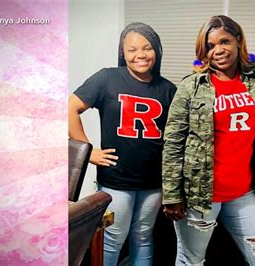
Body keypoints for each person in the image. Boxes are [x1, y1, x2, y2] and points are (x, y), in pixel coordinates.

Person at [161, 15, 255, 265]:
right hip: (199, 196)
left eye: (225, 42)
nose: (218, 51)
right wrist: (171, 195)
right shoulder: (192, 86)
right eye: (210, 46)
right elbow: (173, 143)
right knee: (191, 259)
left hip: (245, 192)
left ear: (238, 41)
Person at [69, 22, 177, 266]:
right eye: (132, 50)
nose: (140, 55)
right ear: (123, 53)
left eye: (147, 48)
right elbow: (70, 108)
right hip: (116, 180)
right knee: (113, 238)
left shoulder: (169, 89)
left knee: (143, 237)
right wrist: (87, 152)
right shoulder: (107, 78)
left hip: (153, 183)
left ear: (157, 50)